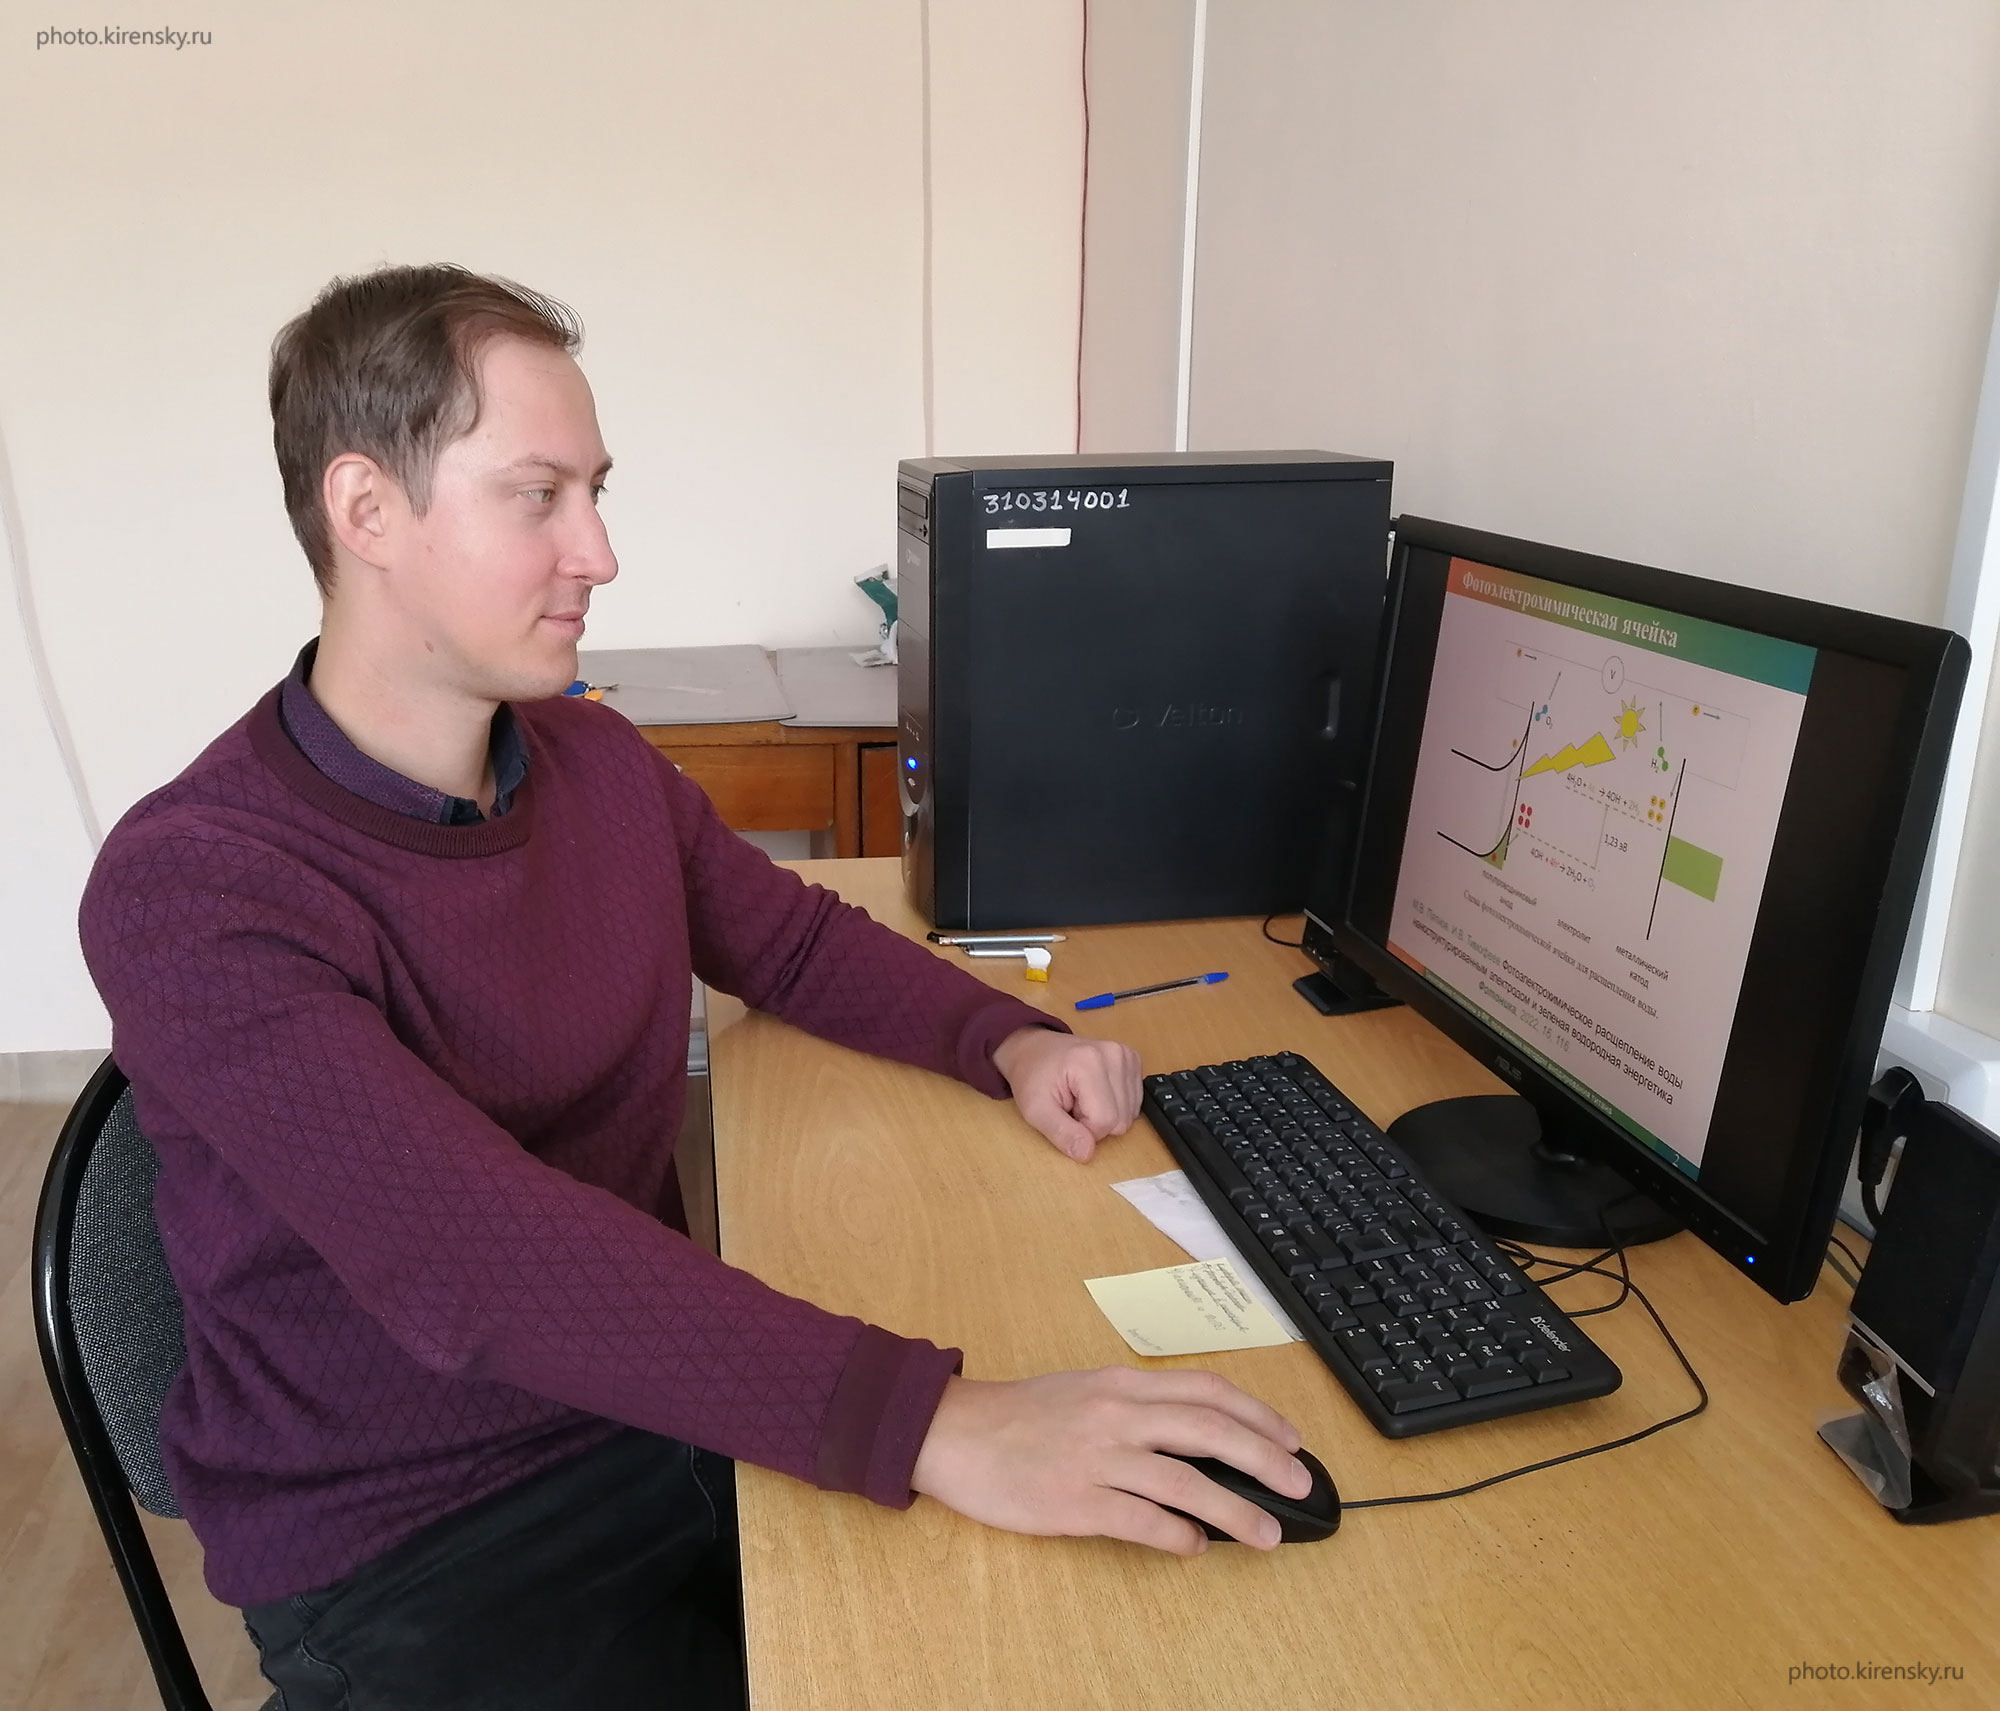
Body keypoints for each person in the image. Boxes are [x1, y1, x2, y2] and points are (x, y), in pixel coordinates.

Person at [78, 264, 1312, 1710]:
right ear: (366, 510)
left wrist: (1004, 1037)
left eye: (596, 492)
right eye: (538, 497)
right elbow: (474, 1263)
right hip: (418, 1537)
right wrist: (940, 1425)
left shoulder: (593, 761)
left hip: (652, 1405)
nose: (599, 552)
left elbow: (785, 942)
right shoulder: (197, 887)